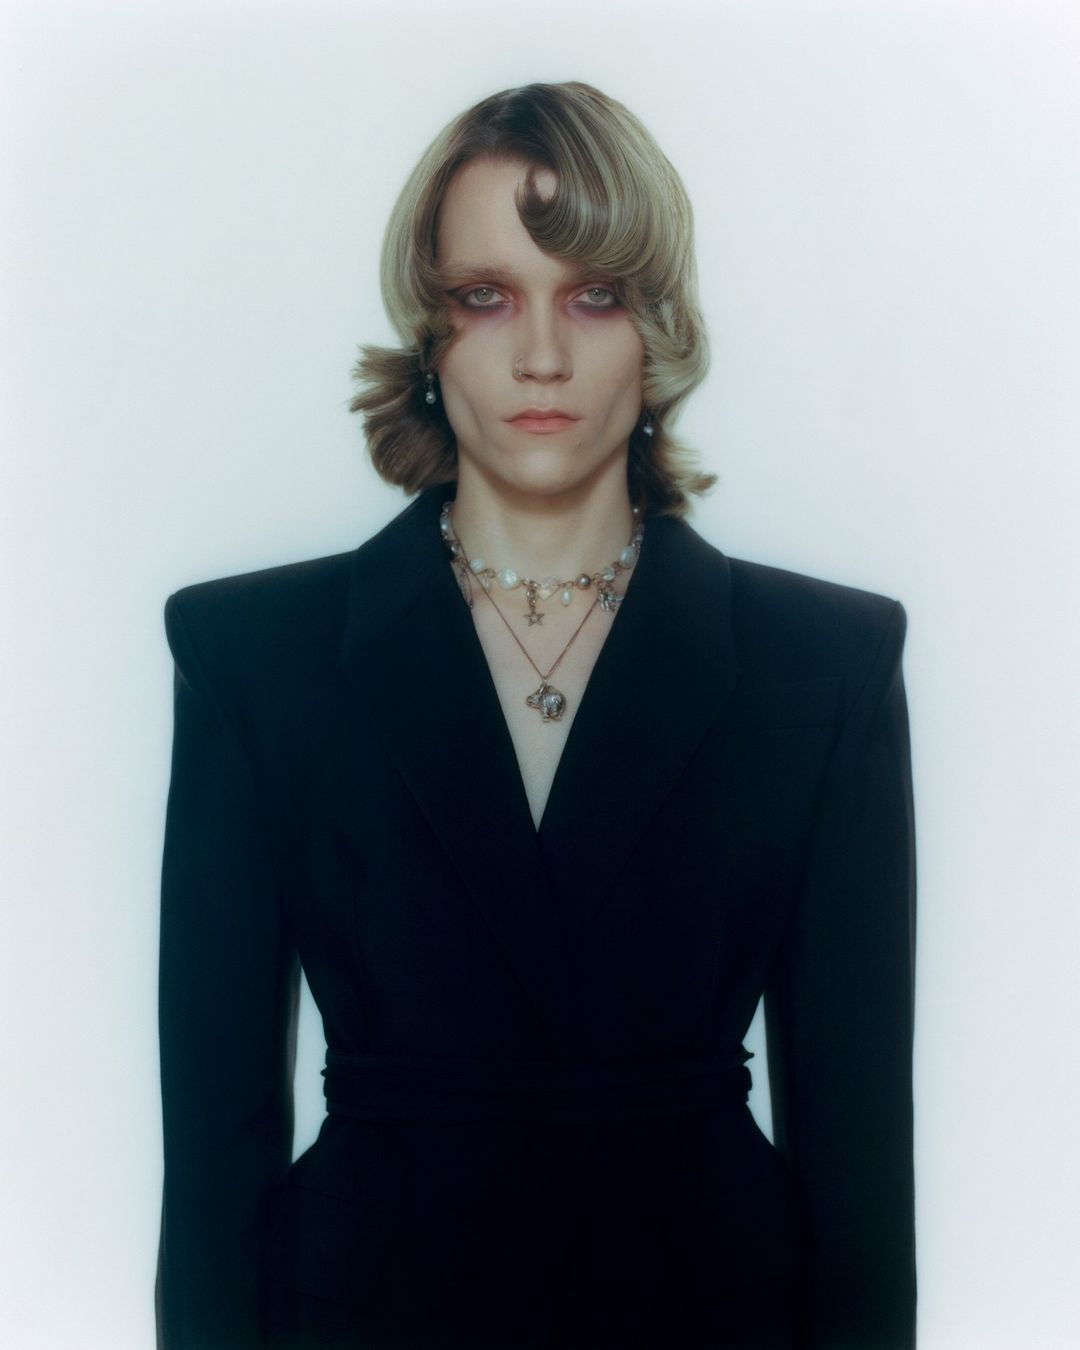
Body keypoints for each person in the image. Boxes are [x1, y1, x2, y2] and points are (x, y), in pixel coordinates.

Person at [155, 82, 916, 1350]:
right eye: (486, 295)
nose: (543, 355)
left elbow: (860, 1160)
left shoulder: (821, 667)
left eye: (596, 294)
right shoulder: (256, 659)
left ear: (658, 327)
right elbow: (214, 1159)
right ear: (429, 332)